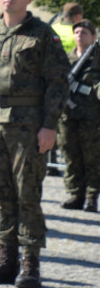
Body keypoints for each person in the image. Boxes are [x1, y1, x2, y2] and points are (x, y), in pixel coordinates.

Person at [0, 0, 68, 288]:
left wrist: (50, 125)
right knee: (1, 195)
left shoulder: (42, 35)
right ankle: (6, 258)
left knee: (27, 195)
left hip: (28, 125)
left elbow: (58, 83)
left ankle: (30, 263)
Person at [57, 19, 100, 212]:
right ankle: (76, 194)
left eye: (84, 33)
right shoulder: (66, 59)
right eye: (77, 32)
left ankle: (91, 196)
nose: (79, 36)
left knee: (92, 156)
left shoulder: (97, 60)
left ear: (93, 36)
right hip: (68, 115)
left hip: (91, 117)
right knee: (71, 155)